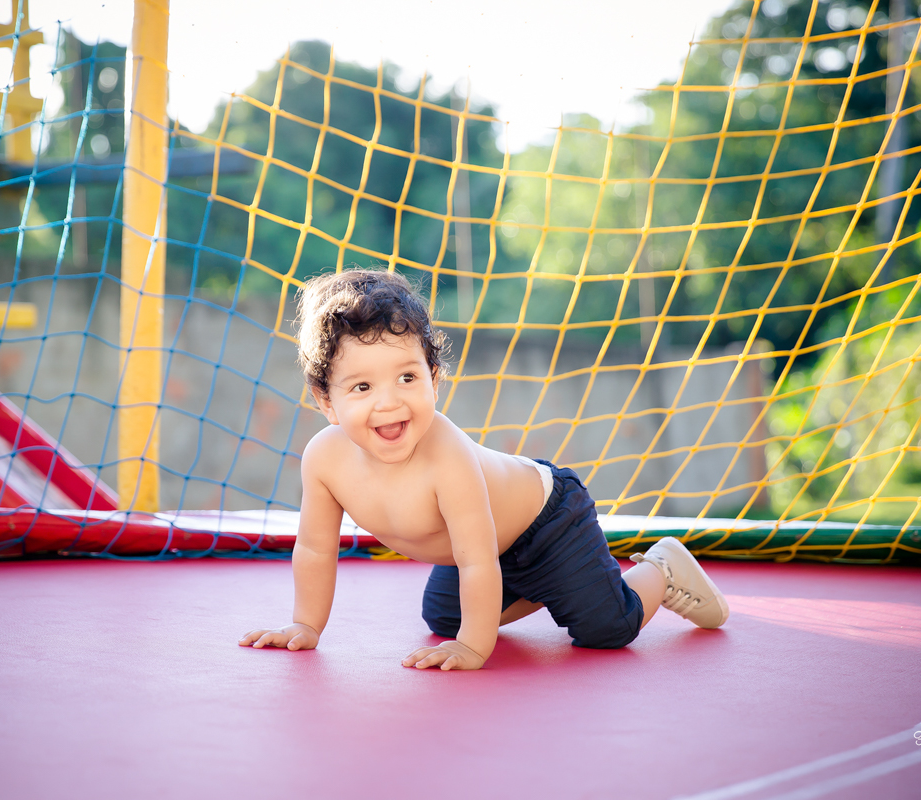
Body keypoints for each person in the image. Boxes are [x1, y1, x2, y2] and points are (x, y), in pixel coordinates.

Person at [239, 268, 728, 670]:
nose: (389, 403)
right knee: (444, 617)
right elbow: (315, 548)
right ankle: (546, 585)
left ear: (434, 378)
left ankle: (660, 570)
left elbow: (476, 560)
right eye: (361, 387)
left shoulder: (445, 453)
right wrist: (306, 624)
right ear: (326, 400)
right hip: (488, 550)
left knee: (607, 629)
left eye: (407, 377)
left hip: (547, 520)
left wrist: (474, 648)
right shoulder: (325, 459)